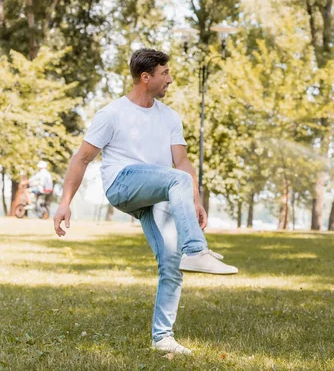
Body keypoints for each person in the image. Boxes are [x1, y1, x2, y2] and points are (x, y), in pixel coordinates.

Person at [53, 48, 238, 355]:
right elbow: (82, 158)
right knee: (176, 181)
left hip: (158, 191)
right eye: (165, 73)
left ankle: (162, 338)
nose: (170, 79)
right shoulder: (112, 114)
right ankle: (196, 249)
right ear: (145, 77)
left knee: (170, 262)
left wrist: (195, 200)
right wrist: (64, 203)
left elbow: (182, 161)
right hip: (122, 184)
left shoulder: (169, 117)